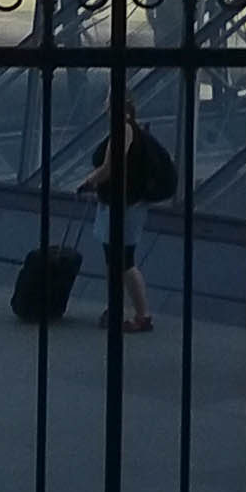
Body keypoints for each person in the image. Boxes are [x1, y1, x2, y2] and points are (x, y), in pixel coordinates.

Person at [77, 93, 174, 334]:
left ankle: (142, 314)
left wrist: (87, 182)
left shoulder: (123, 130)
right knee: (117, 259)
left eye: (108, 106)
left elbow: (110, 167)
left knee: (123, 261)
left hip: (124, 205)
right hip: (127, 203)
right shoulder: (133, 130)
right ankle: (119, 308)